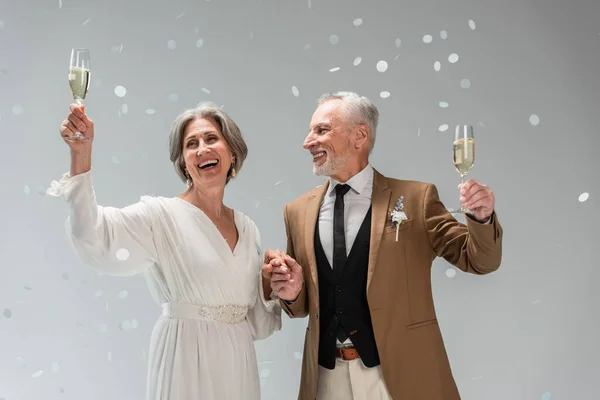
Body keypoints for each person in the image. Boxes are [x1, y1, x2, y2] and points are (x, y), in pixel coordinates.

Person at [262, 91, 503, 400]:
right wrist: (292, 292)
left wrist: (481, 219)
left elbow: (479, 260)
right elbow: (305, 306)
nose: (308, 141)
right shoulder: (297, 211)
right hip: (326, 378)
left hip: (397, 375)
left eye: (321, 130)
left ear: (359, 135)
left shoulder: (416, 199)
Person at [47, 102, 281, 400]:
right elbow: (96, 236)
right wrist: (80, 154)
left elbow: (256, 322)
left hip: (238, 362)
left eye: (211, 139)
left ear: (232, 152)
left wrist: (270, 284)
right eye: (191, 144)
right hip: (186, 357)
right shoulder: (161, 216)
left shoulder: (248, 229)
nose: (202, 149)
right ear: (183, 163)